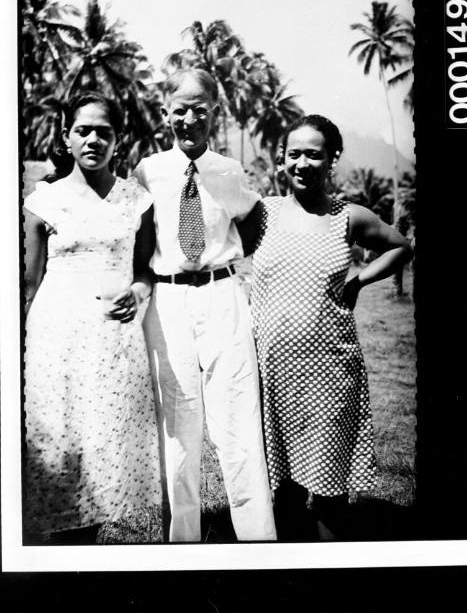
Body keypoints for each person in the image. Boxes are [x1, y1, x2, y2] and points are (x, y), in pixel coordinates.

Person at [245, 114, 413, 541]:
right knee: (279, 485)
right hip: (271, 370)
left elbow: (400, 246)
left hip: (330, 369)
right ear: (281, 159)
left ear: (331, 159)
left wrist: (359, 279)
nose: (303, 163)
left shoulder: (349, 217)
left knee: (329, 489)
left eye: (314, 155)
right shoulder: (262, 213)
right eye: (294, 154)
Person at [134, 68, 276, 543]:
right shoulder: (148, 171)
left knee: (237, 420)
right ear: (165, 112)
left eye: (200, 109)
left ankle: (258, 542)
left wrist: (229, 262)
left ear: (214, 113)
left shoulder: (229, 172)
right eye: (181, 109)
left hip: (222, 294)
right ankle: (184, 543)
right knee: (179, 425)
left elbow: (254, 218)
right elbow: (141, 240)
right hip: (169, 298)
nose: (189, 118)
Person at [23, 91, 162, 544]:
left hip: (112, 337)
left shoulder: (135, 200)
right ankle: (55, 549)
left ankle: (92, 547)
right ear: (67, 138)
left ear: (118, 140)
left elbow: (144, 270)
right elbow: (28, 281)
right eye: (83, 130)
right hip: (54, 335)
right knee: (57, 444)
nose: (93, 139)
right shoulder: (43, 202)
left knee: (104, 445)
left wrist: (138, 289)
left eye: (104, 131)